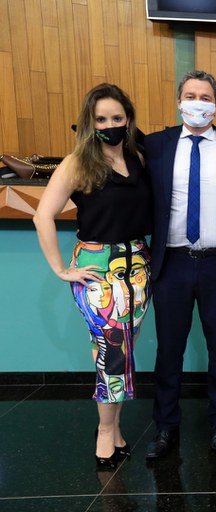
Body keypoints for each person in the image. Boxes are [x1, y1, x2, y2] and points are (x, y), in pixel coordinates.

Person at [33, 83, 152, 469]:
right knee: (111, 352)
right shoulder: (78, 163)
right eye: (101, 119)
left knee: (123, 351)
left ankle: (114, 427)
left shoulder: (138, 157)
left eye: (117, 118)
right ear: (89, 122)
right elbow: (42, 215)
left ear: (128, 119)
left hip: (138, 266)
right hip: (98, 269)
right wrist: (60, 269)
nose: (109, 125)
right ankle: (104, 432)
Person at [143, 70, 216, 459]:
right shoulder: (155, 145)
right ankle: (165, 428)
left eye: (205, 97)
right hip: (171, 262)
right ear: (179, 101)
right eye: (190, 96)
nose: (197, 103)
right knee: (169, 350)